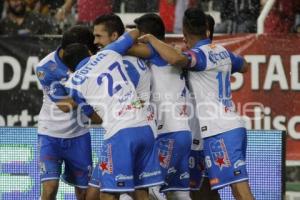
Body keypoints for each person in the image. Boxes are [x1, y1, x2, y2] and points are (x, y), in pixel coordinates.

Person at [138, 8, 254, 200]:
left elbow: (176, 59)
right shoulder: (222, 52)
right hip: (222, 127)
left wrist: (150, 38)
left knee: (241, 191)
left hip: (221, 129)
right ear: (207, 30)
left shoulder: (199, 56)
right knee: (213, 189)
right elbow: (245, 66)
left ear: (184, 33)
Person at [63, 29, 164, 200]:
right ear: (89, 52)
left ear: (69, 68)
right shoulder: (109, 52)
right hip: (145, 128)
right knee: (141, 191)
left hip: (120, 134)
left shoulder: (72, 83)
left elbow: (93, 116)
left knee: (108, 193)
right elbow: (134, 32)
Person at [87, 13, 157, 200]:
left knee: (106, 193)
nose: (95, 41)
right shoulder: (127, 58)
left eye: (99, 36)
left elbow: (121, 102)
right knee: (135, 192)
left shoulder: (123, 64)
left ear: (115, 36)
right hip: (136, 131)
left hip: (125, 134)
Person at [132, 13, 192, 200]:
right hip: (181, 132)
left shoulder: (156, 53)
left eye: (137, 34)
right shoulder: (169, 52)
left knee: (150, 192)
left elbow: (125, 48)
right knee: (178, 194)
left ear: (145, 36)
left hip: (168, 133)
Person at [35, 25, 99, 200]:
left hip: (79, 135)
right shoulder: (45, 67)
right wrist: (91, 95)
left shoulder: (90, 60)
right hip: (50, 135)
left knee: (84, 192)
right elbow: (64, 105)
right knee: (49, 188)